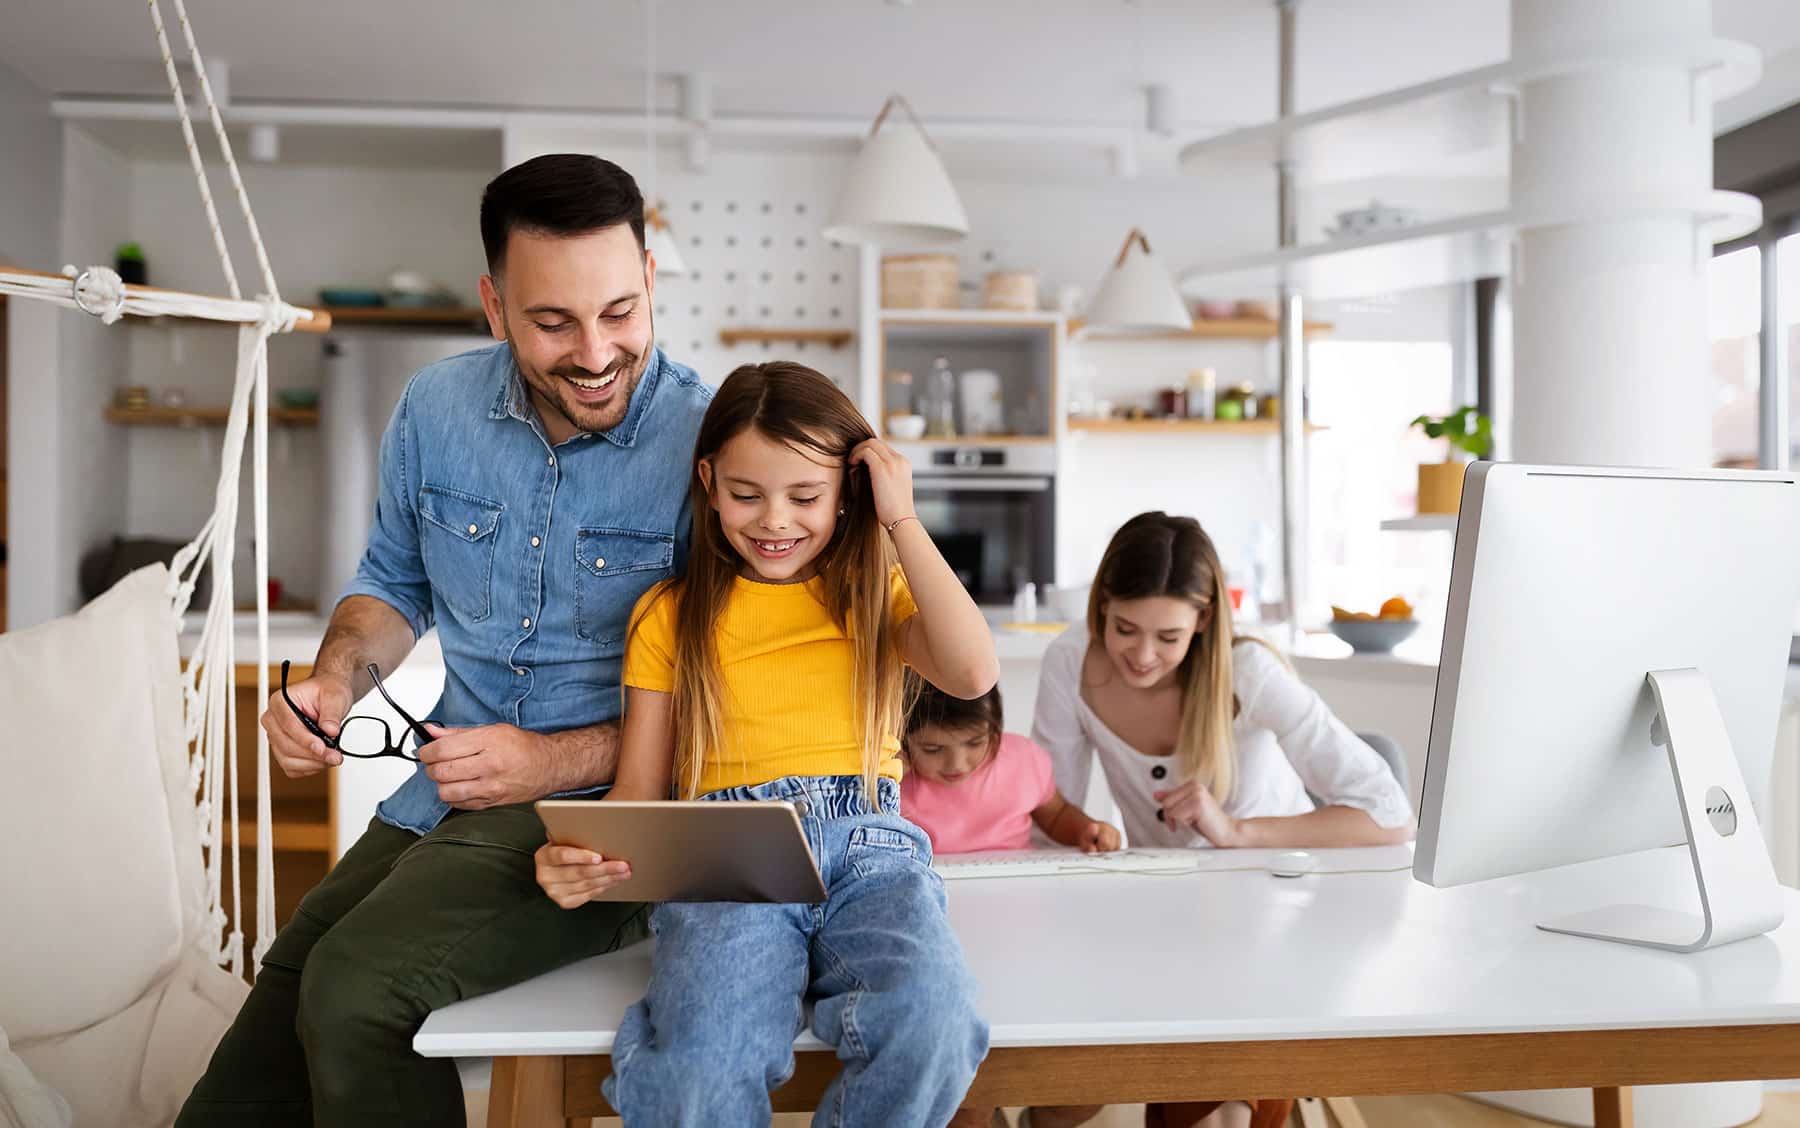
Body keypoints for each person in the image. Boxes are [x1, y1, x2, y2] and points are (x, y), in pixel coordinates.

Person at [176, 154, 713, 1128]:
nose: (596, 352)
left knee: (353, 995)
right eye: (553, 322)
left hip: (602, 821)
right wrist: (334, 683)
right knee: (272, 1025)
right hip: (441, 799)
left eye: (620, 312)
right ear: (494, 306)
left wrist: (549, 760)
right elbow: (395, 583)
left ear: (649, 276)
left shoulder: (711, 443)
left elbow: (732, 702)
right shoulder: (435, 408)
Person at [534, 360, 996, 1127]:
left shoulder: (876, 596)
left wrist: (901, 520)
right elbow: (638, 793)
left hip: (870, 852)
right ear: (710, 483)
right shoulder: (669, 615)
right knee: (701, 1069)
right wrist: (577, 856)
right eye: (747, 495)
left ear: (847, 493)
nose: (775, 521)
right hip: (728, 860)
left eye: (805, 497)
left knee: (936, 1021)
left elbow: (973, 671)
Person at [1021, 511, 1415, 1128]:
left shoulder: (1248, 671)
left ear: (1203, 621)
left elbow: (1388, 815)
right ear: (1101, 607)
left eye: (1168, 637)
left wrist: (1237, 833)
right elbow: (1050, 815)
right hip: (1164, 919)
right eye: (1125, 629)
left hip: (1274, 923)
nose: (1142, 655)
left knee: (1211, 1102)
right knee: (1060, 1094)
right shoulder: (1070, 660)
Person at [900, 680, 1121, 855]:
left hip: (1014, 878)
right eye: (932, 749)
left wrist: (1085, 829)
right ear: (902, 738)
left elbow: (1056, 816)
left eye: (975, 743)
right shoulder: (892, 775)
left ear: (994, 729)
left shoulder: (1022, 760)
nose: (957, 764)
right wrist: (887, 778)